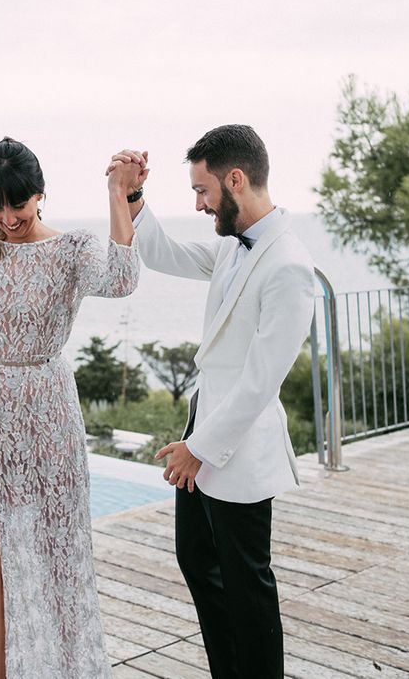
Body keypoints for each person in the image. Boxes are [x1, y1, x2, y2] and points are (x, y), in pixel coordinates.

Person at [0, 136, 145, 678]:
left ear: (40, 194)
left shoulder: (72, 250)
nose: (7, 217)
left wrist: (118, 194)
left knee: (54, 557)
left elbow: (123, 278)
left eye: (17, 203)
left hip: (46, 408)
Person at [108, 125, 315, 679]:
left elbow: (259, 382)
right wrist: (132, 197)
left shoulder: (289, 266)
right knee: (198, 562)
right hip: (203, 424)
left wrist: (198, 449)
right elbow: (164, 253)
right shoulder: (232, 245)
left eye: (203, 191)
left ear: (237, 180)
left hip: (238, 448)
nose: (198, 204)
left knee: (248, 582)